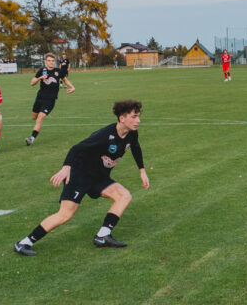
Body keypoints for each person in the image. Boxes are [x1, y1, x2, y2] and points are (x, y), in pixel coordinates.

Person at [13, 100, 150, 256]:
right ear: (122, 118)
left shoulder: (132, 133)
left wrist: (142, 171)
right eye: (134, 117)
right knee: (65, 215)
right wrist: (66, 168)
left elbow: (136, 148)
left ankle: (102, 236)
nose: (138, 121)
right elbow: (76, 149)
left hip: (99, 177)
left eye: (138, 116)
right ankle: (24, 243)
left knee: (124, 195)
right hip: (80, 175)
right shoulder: (104, 136)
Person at [25, 53, 75, 145]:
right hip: (39, 98)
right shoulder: (41, 71)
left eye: (52, 61)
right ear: (45, 62)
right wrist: (40, 78)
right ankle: (35, 130)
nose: (51, 62)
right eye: (49, 61)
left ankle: (31, 139)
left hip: (50, 100)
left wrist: (72, 87)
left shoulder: (58, 71)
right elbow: (32, 83)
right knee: (34, 117)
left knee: (40, 118)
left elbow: (65, 80)